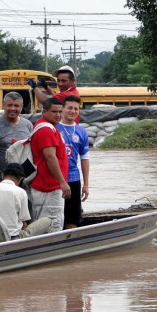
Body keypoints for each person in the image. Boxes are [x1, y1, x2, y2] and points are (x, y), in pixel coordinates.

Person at [29, 98, 70, 232]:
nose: (58, 115)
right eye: (54, 112)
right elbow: (50, 157)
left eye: (60, 111)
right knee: (52, 225)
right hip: (49, 187)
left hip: (46, 185)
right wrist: (62, 182)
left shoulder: (48, 127)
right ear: (44, 112)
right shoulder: (46, 130)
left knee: (43, 223)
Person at [0, 163, 52, 239]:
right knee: (47, 221)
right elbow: (24, 222)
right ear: (21, 179)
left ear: (3, 175)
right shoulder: (20, 192)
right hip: (12, 238)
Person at [57, 95, 90, 229]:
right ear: (63, 109)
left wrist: (86, 184)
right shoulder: (54, 128)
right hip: (56, 180)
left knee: (72, 218)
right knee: (57, 217)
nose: (73, 111)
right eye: (70, 108)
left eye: (76, 109)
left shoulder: (82, 132)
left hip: (73, 179)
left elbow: (84, 159)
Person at [0, 92, 33, 179]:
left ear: (21, 107)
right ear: (3, 105)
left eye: (16, 106)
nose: (13, 108)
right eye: (9, 105)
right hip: (2, 178)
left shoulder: (27, 124)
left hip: (24, 177)